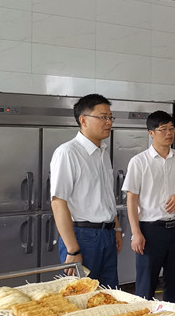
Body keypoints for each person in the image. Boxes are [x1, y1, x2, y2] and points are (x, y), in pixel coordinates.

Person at [122, 111, 175, 303]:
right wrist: (136, 233)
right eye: (163, 129)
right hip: (150, 231)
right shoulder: (139, 161)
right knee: (146, 286)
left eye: (171, 129)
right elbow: (131, 200)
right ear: (151, 133)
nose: (169, 133)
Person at [50, 94, 122, 287]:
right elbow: (58, 202)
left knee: (109, 294)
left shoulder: (102, 152)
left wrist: (116, 228)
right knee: (81, 297)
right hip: (83, 236)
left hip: (107, 234)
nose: (109, 122)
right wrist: (73, 250)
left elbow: (106, 195)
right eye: (103, 117)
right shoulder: (68, 152)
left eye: (110, 117)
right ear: (83, 120)